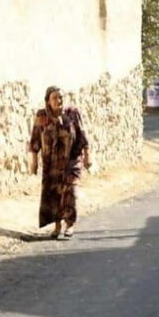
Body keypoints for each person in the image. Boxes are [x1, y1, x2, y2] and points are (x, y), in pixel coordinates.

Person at [29, 86, 92, 239]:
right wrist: (34, 162)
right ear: (48, 101)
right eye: (55, 98)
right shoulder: (42, 116)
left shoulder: (72, 113)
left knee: (70, 192)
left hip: (72, 160)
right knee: (54, 194)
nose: (59, 100)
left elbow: (82, 135)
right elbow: (35, 140)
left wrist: (87, 156)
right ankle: (57, 226)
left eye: (61, 97)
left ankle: (69, 224)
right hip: (51, 163)